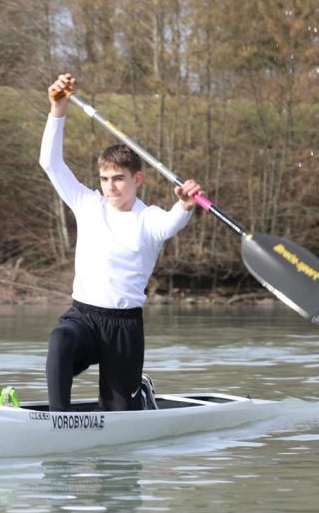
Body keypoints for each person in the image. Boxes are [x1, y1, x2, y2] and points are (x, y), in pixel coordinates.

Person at [40, 73, 203, 411]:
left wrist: (185, 204)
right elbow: (50, 164)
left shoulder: (149, 219)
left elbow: (173, 221)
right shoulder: (87, 204)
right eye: (104, 179)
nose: (109, 187)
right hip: (83, 318)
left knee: (119, 412)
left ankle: (137, 394)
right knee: (59, 341)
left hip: (124, 328)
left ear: (137, 179)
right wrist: (58, 110)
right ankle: (58, 422)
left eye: (118, 179)